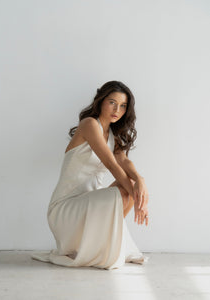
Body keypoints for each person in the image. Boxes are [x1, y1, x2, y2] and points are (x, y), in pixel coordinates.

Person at [31, 80, 149, 270]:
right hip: (66, 208)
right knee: (124, 190)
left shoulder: (112, 134)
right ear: (101, 101)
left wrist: (140, 181)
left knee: (129, 187)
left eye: (123, 105)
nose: (117, 109)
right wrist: (138, 199)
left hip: (88, 204)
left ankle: (99, 245)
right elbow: (111, 164)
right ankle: (93, 245)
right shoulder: (89, 124)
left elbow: (124, 162)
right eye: (112, 102)